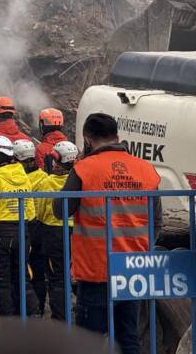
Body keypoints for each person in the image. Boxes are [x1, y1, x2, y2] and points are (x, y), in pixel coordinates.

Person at [61, 113, 161, 354]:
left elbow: (59, 210)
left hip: (96, 268)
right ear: (117, 136)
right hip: (132, 268)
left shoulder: (84, 169)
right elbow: (156, 221)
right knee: (128, 336)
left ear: (87, 138)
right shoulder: (146, 170)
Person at [0, 136, 37, 316]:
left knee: (3, 280)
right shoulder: (23, 174)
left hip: (1, 232)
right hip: (23, 230)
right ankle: (30, 315)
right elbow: (30, 208)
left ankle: (7, 321)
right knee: (23, 277)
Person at [35, 141, 78, 321]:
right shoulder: (78, 183)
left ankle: (60, 319)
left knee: (57, 278)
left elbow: (40, 211)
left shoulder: (46, 183)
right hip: (76, 234)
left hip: (53, 235)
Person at [14, 138, 48, 317]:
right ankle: (39, 308)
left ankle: (24, 309)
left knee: (20, 271)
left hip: (21, 228)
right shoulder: (44, 177)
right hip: (40, 229)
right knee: (39, 271)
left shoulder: (17, 179)